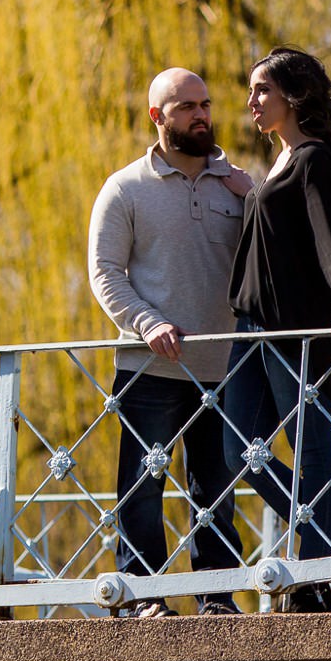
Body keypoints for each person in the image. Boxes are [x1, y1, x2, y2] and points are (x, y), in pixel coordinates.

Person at [88, 67, 253, 618]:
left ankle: (218, 598)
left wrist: (253, 195)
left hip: (226, 367)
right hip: (149, 368)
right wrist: (146, 322)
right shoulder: (124, 188)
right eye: (186, 107)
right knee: (142, 488)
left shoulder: (237, 185)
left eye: (205, 104)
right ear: (157, 117)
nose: (201, 114)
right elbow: (105, 271)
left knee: (217, 490)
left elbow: (269, 257)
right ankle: (139, 598)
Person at [225, 46, 331, 613]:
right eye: (250, 90)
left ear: (293, 94)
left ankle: (312, 580)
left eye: (262, 89)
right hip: (249, 329)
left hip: (297, 328)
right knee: (242, 449)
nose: (252, 101)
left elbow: (329, 236)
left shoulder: (312, 160)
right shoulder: (277, 166)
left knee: (313, 447)